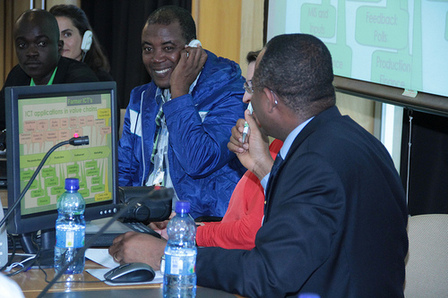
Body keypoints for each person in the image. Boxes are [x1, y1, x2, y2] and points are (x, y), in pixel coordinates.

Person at [111, 34, 409, 297]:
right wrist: (265, 169)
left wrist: (167, 255)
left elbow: (267, 275)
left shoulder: (314, 165)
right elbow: (316, 229)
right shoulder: (359, 142)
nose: (245, 97)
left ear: (270, 99)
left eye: (250, 88)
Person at [117, 6, 246, 219]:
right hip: (147, 218)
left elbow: (198, 161)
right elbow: (124, 171)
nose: (156, 58)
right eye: (148, 49)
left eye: (168, 48)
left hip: (203, 223)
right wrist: (129, 214)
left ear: (193, 48)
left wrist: (179, 92)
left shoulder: (230, 92)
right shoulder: (141, 98)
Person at [148, 50, 283, 249]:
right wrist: (190, 226)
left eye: (252, 87)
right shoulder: (274, 145)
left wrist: (193, 233)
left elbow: (250, 234)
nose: (245, 97)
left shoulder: (289, 151)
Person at [0, 8, 98, 131]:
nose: (31, 53)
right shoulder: (17, 75)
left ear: (59, 47)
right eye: (22, 45)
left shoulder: (81, 79)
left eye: (41, 43)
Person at [49, 4, 113, 81]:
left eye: (67, 34)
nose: (60, 42)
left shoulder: (100, 79)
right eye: (55, 35)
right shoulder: (42, 78)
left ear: (85, 38)